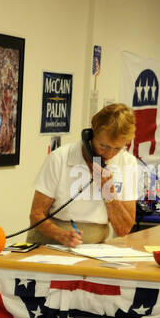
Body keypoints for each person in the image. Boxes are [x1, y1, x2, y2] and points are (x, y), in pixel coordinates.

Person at [28, 103, 140, 246]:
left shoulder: (127, 163)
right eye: (103, 146)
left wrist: (108, 193)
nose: (109, 154)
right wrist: (61, 235)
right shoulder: (60, 158)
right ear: (91, 134)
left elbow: (123, 229)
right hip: (51, 244)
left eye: (117, 148)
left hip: (94, 248)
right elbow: (36, 215)